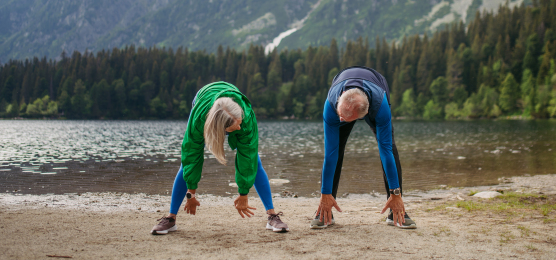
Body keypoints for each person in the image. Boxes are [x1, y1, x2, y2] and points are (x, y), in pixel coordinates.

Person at [151, 81, 289, 234]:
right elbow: (191, 156)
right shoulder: (199, 119)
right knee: (186, 165)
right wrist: (191, 194)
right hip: (203, 100)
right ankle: (171, 219)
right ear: (221, 129)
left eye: (239, 122)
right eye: (235, 126)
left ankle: (272, 216)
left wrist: (243, 194)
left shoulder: (245, 117)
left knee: (254, 161)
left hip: (229, 107)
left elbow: (247, 157)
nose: (239, 127)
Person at [311, 66, 417, 229]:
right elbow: (330, 154)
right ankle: (325, 210)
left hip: (376, 86)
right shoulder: (332, 106)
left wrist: (395, 192)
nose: (340, 118)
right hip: (342, 84)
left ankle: (396, 210)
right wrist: (325, 192)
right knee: (335, 150)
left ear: (362, 116)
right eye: (340, 114)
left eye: (345, 118)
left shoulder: (380, 107)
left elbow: (386, 151)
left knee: (389, 149)